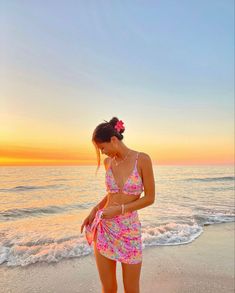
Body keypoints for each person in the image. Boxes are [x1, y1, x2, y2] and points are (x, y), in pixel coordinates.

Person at [81, 117, 155, 293]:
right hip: (105, 229)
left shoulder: (142, 159)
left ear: (113, 140)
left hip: (129, 231)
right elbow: (111, 195)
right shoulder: (108, 163)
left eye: (102, 148)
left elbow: (150, 197)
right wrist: (94, 210)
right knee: (108, 288)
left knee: (131, 289)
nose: (102, 153)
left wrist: (120, 210)